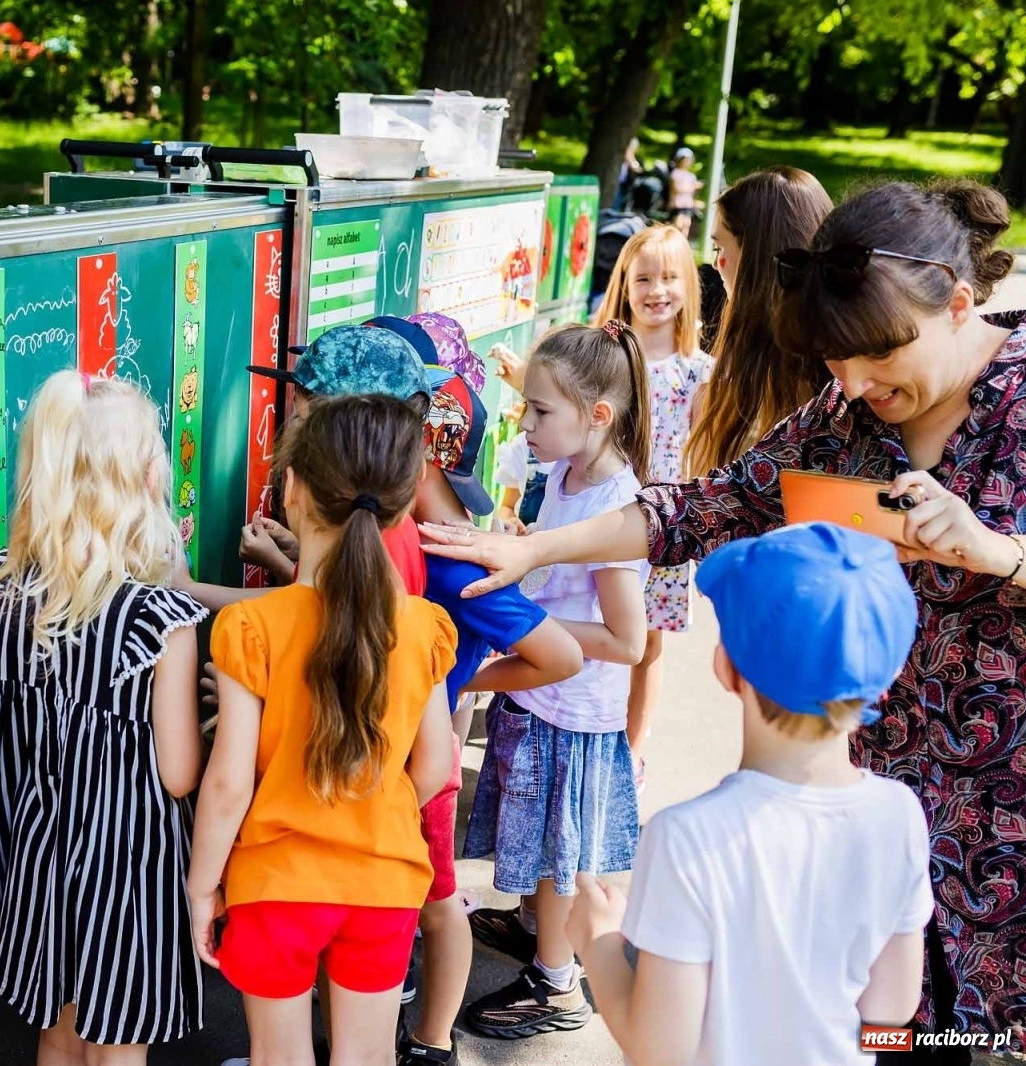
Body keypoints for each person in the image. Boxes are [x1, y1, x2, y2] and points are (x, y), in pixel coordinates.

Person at [417, 178, 1026, 1060]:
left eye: (874, 360)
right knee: (884, 1032)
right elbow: (700, 509)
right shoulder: (844, 413)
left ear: (959, 305)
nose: (850, 387)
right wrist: (536, 553)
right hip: (864, 800)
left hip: (999, 826)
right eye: (833, 362)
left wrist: (997, 551)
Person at [569, 522, 930, 1066]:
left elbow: (659, 1050)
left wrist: (598, 943)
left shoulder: (686, 838)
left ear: (725, 667)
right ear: (888, 677)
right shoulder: (900, 815)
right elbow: (892, 1012)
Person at [189, 394, 457, 1066]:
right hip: (386, 883)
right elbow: (433, 765)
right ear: (401, 507)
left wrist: (201, 888)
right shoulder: (422, 627)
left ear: (292, 490)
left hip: (273, 885)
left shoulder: (252, 627)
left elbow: (227, 783)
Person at [0, 371, 207, 1062]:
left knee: (60, 1030)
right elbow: (180, 772)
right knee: (118, 1042)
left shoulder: (7, 605)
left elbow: (3, 741)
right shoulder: (161, 621)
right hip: (128, 870)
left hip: (40, 859)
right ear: (142, 475)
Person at [459, 321, 650, 1041]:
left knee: (557, 852)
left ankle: (557, 982)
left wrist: (529, 632)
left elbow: (628, 642)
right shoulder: (570, 475)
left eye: (540, 411)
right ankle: (545, 934)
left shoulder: (612, 507)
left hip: (572, 711)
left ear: (597, 416)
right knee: (546, 849)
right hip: (542, 695)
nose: (525, 421)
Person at [403, 365, 584, 1066]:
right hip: (421, 748)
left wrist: (463, 675)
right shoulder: (437, 538)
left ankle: (431, 1041)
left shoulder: (451, 558)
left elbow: (561, 654)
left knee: (437, 899)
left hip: (423, 761)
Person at [188, 324, 433, 607]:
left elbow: (312, 609)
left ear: (348, 434)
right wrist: (300, 549)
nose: (292, 431)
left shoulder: (386, 540)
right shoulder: (388, 519)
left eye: (303, 420)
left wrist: (187, 588)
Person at [593, 224, 711, 779]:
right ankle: (584, 731)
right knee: (594, 624)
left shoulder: (699, 371)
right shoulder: (609, 356)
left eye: (669, 278)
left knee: (646, 644)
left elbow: (705, 452)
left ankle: (630, 751)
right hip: (603, 515)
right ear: (624, 285)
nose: (656, 290)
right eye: (643, 278)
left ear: (688, 285)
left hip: (666, 525)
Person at [685, 166, 833, 476]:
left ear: (757, 254)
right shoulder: (761, 355)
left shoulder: (820, 379)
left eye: (720, 247)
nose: (717, 262)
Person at [668, 148, 703, 237]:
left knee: (686, 226)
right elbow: (676, 188)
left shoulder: (691, 176)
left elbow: (692, 194)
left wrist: (694, 202)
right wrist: (692, 187)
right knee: (677, 226)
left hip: (688, 205)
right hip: (678, 206)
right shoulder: (675, 173)